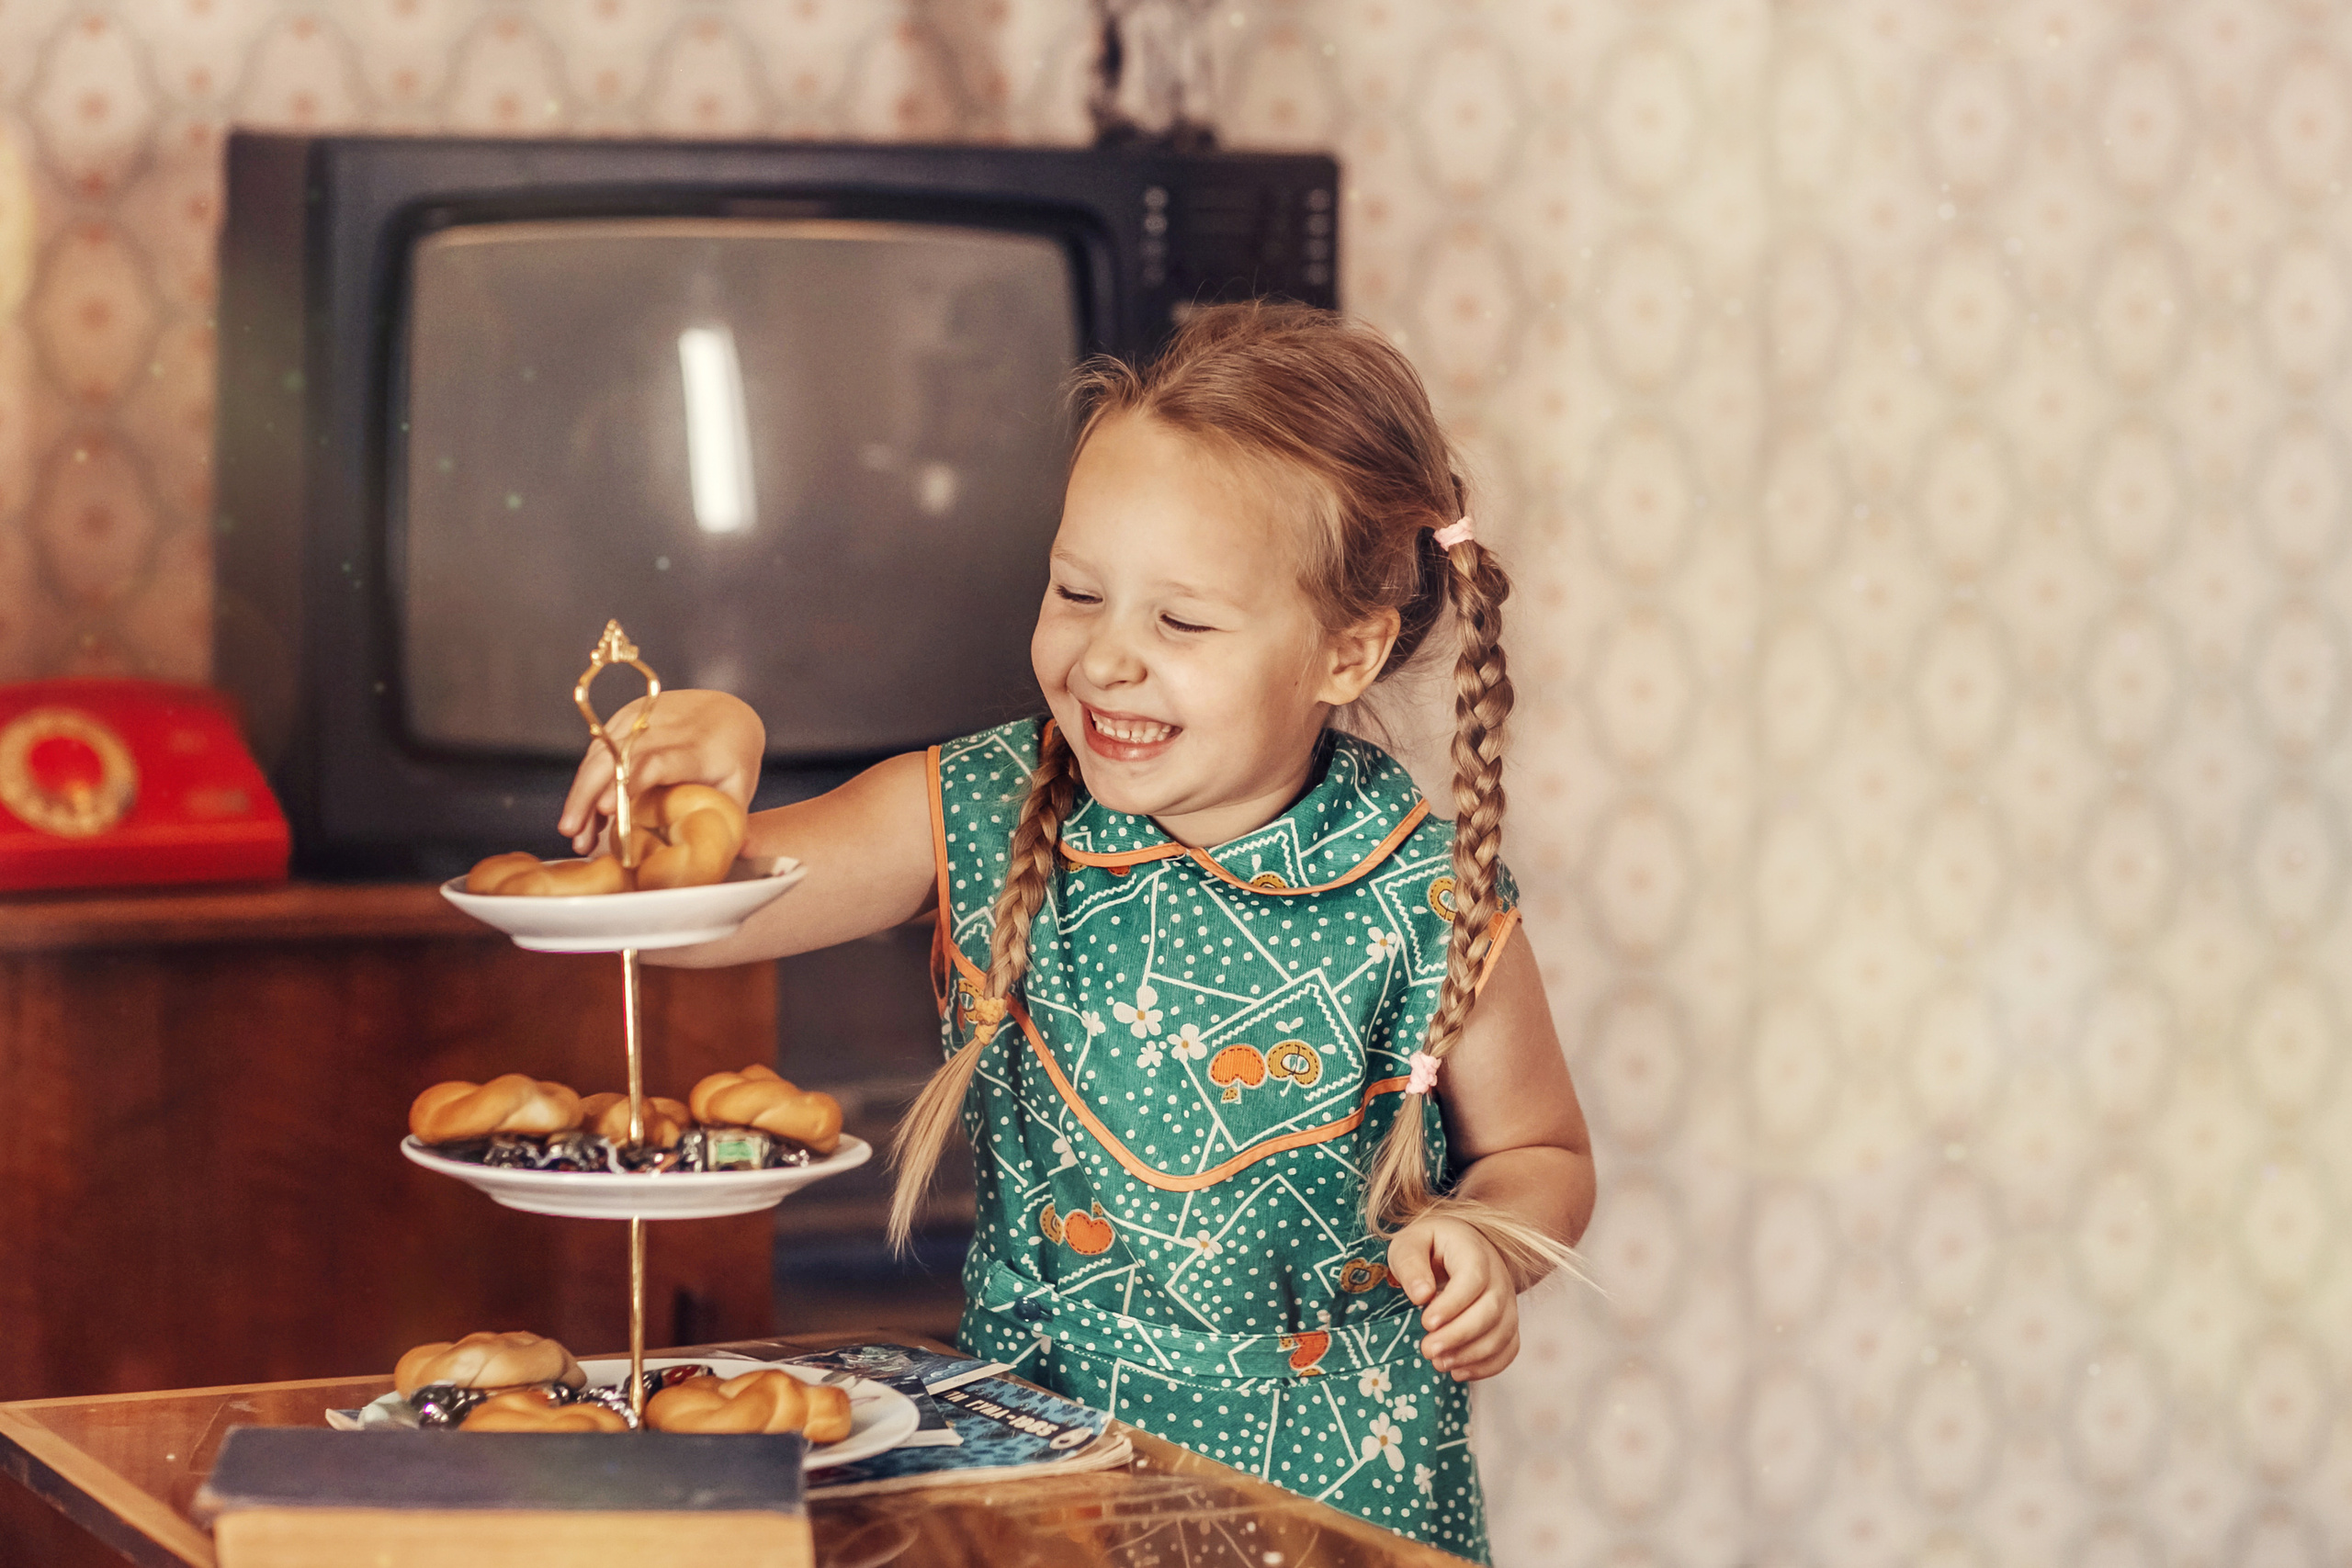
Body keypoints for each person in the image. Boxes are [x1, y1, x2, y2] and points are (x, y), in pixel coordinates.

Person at [560, 302, 1595, 1561]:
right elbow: (681, 929)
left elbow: (1543, 1149)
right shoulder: (983, 808)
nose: (1107, 659)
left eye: (1183, 623)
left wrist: (1487, 1239)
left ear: (1346, 653)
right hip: (1043, 1489)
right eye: (1077, 592)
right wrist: (698, 791)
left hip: (1339, 1509)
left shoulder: (1431, 894)